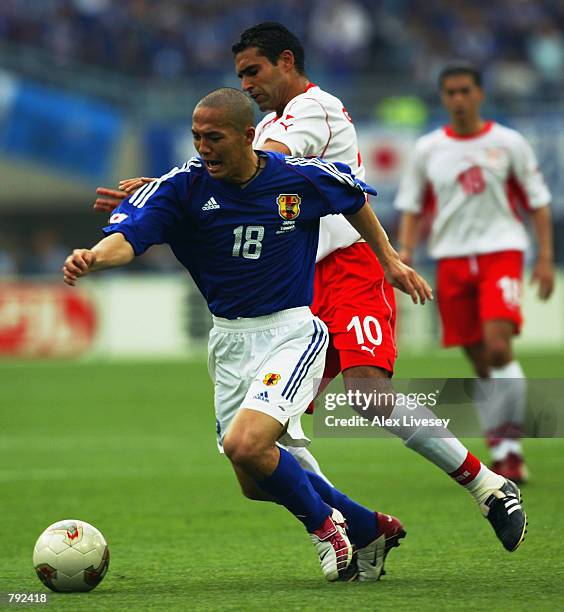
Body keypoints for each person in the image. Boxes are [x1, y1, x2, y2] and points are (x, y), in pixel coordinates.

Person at [95, 23, 528, 556]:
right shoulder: (272, 118)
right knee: (258, 452)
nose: (247, 84)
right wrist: (168, 194)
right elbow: (227, 166)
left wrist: (169, 187)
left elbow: (258, 161)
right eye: (239, 77)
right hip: (293, 284)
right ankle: (362, 530)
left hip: (347, 266)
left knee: (368, 391)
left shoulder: (313, 110)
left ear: (285, 61)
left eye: (253, 72)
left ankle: (487, 486)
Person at [65, 88, 433, 582]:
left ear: (247, 135)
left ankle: (326, 529)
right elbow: (127, 239)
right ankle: (369, 527)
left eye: (214, 137)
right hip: (230, 342)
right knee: (255, 481)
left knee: (246, 444)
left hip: (291, 333)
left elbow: (353, 197)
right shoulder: (181, 187)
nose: (203, 147)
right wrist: (93, 257)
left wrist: (388, 258)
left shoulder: (297, 177)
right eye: (197, 137)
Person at [396, 61, 554, 484]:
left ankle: (511, 452)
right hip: (450, 259)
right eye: (451, 93)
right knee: (480, 358)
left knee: (498, 345)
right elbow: (411, 206)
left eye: (466, 91)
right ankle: (502, 448)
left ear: (480, 94)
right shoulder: (428, 149)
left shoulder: (509, 143)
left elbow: (537, 201)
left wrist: (543, 258)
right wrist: (405, 252)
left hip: (500, 252)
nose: (459, 100)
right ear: (443, 97)